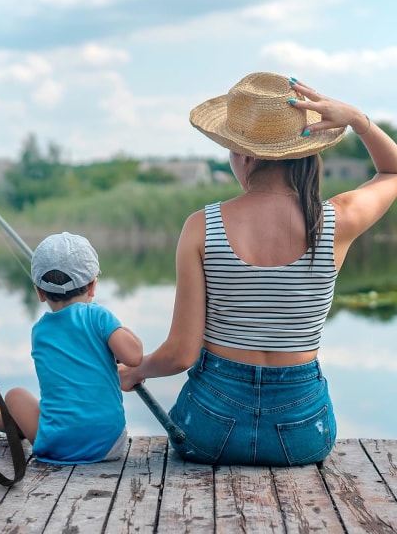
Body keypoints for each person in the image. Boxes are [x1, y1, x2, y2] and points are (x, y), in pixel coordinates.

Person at [118, 72, 397, 466]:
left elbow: (180, 355)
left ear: (245, 155)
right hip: (304, 433)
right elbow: (392, 172)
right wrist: (357, 120)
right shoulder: (337, 220)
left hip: (208, 431)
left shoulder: (202, 226)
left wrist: (134, 371)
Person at [0, 231, 143, 464]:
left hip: (56, 446)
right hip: (109, 444)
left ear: (40, 292)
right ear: (92, 287)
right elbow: (134, 356)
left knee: (15, 395)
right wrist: (118, 327)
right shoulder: (99, 317)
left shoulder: (39, 332)